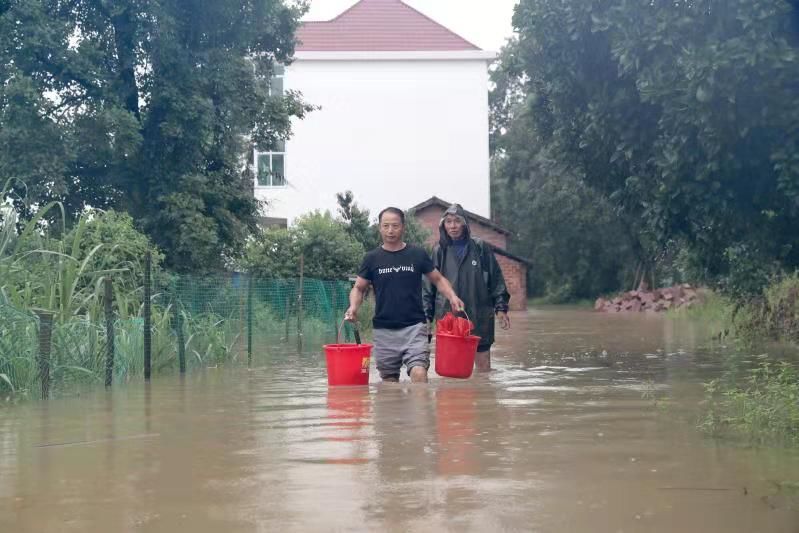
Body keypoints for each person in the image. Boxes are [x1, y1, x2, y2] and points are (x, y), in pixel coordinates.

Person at [345, 207, 464, 383]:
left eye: (395, 225)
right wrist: (353, 307)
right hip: (383, 329)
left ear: (403, 227)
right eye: (386, 226)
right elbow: (359, 288)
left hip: (414, 327)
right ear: (379, 228)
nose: (390, 230)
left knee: (419, 373)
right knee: (389, 382)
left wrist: (453, 296)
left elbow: (438, 279)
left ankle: (421, 411)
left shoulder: (417, 254)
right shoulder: (372, 258)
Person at [423, 203, 511, 372]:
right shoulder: (439, 251)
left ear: (465, 224)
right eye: (448, 221)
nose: (453, 226)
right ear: (443, 225)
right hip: (448, 317)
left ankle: (484, 399)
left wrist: (501, 309)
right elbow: (428, 288)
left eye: (457, 221)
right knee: (451, 371)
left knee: (483, 371)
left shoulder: (480, 248)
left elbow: (496, 280)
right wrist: (426, 317)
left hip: (479, 315)